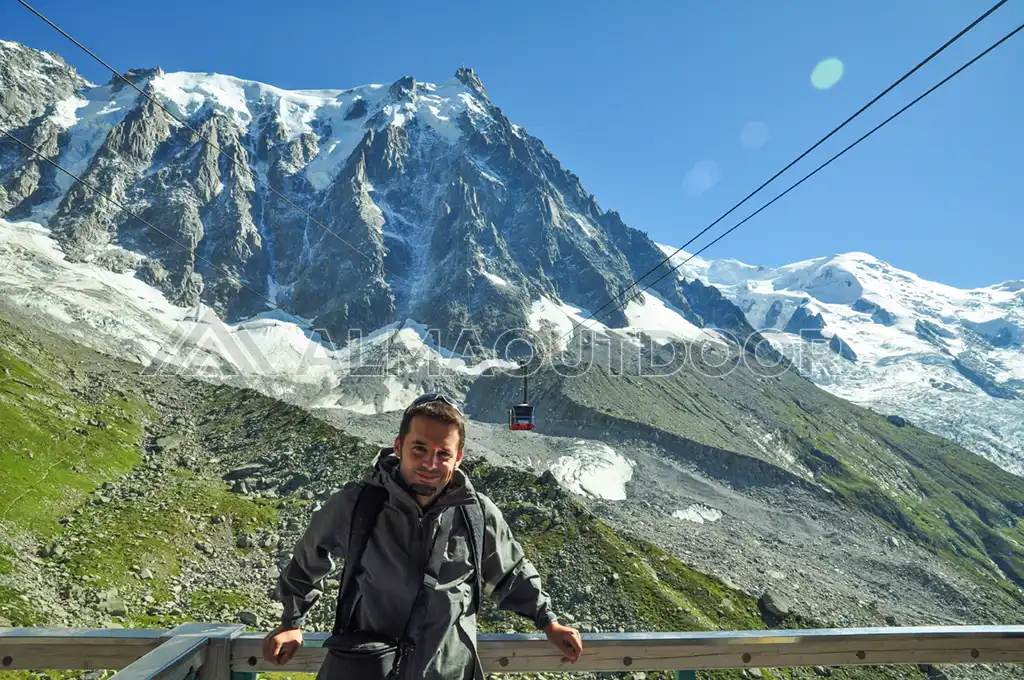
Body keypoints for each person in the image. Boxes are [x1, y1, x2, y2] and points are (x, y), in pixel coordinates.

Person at [262, 392, 583, 679]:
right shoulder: (357, 504)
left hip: (447, 671)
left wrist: (548, 621)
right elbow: (308, 559)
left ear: (458, 458)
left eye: (443, 454)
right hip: (369, 669)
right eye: (419, 449)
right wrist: (291, 623)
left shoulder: (477, 513)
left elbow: (511, 572)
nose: (430, 463)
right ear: (398, 446)